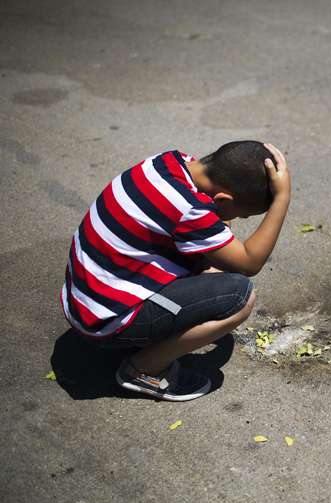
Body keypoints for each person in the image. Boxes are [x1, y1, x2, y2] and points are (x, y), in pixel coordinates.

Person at [60, 141, 291, 401]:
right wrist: (281, 199)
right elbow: (249, 263)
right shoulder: (190, 210)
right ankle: (141, 370)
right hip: (105, 320)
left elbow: (209, 225)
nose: (239, 220)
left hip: (86, 297)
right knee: (239, 298)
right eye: (244, 215)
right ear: (223, 198)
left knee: (216, 259)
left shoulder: (169, 162)